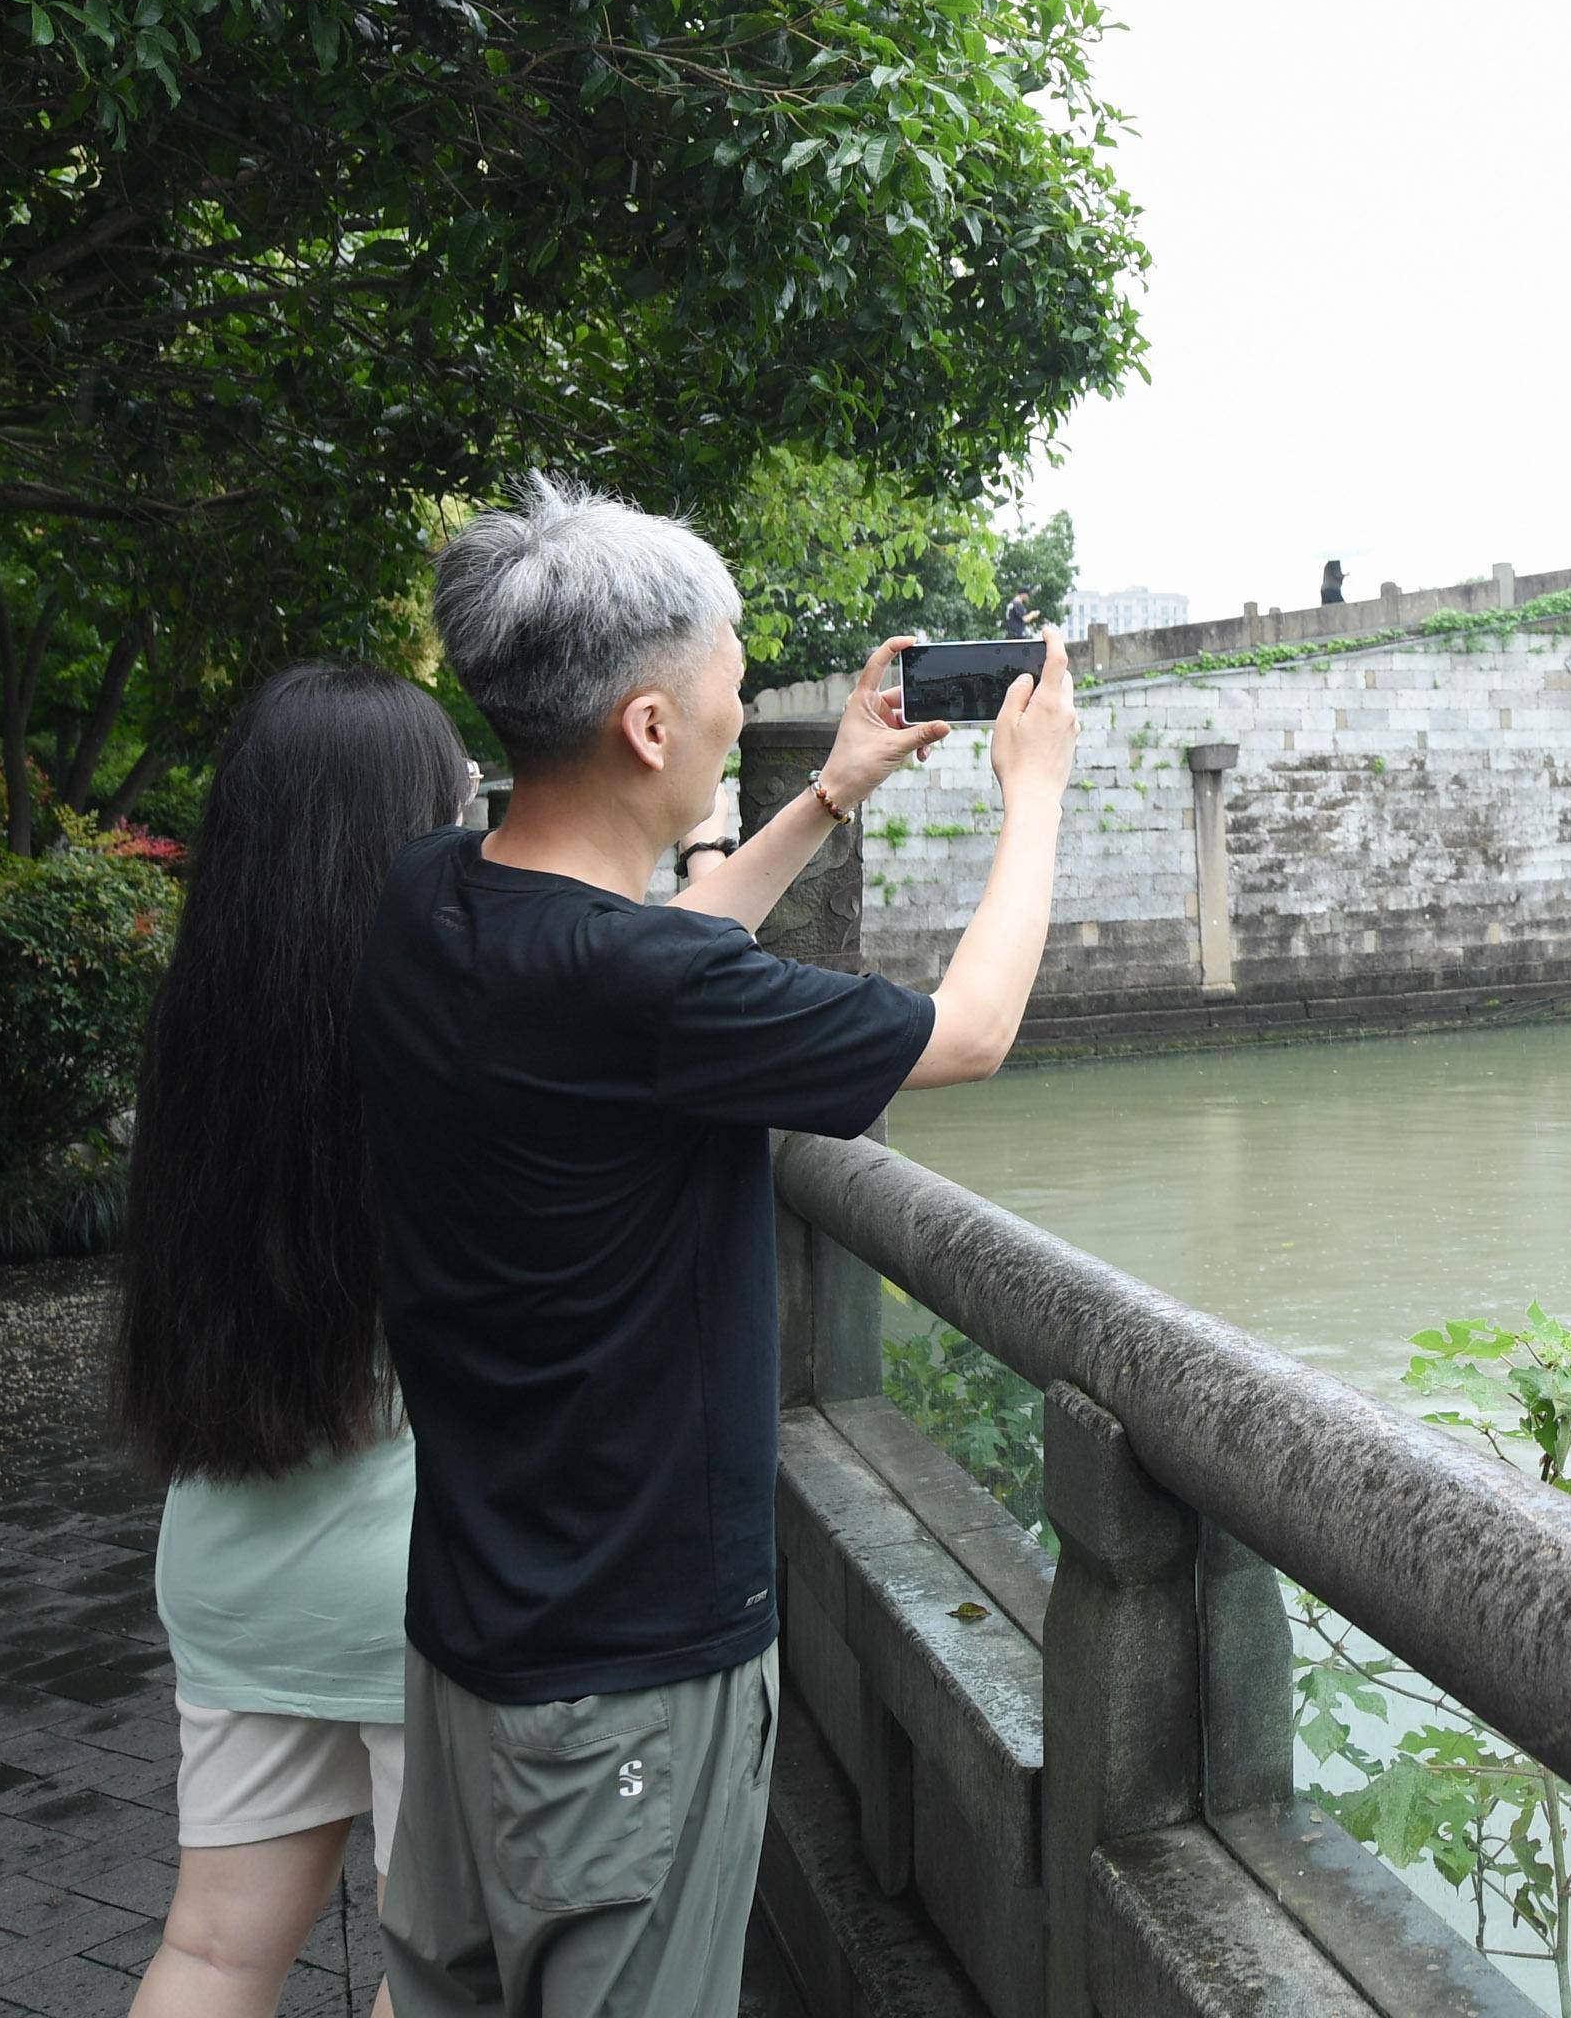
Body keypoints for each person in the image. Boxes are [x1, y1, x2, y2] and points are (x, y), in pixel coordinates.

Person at [354, 478, 1076, 2018]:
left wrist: (832, 794)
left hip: (469, 1635)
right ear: (647, 729)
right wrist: (1039, 796)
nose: (751, 693)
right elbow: (971, 1031)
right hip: (628, 1677)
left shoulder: (430, 902)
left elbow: (659, 954)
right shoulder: (639, 994)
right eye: (731, 671)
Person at [117, 664, 479, 2018]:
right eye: (457, 798)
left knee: (212, 1949)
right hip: (414, 1589)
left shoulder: (203, 1030)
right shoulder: (448, 1033)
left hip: (226, 1559)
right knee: (444, 1973)